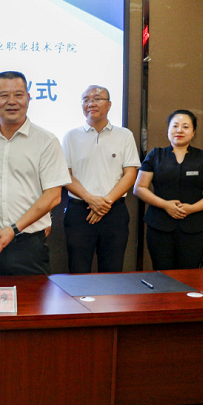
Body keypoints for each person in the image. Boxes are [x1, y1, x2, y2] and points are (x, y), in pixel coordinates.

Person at [0, 71, 71, 276]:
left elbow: (53, 196)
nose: (11, 101)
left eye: (18, 95)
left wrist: (13, 229)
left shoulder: (46, 141)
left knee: (32, 298)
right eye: (4, 95)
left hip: (29, 244)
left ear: (28, 99)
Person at [62, 85, 140, 273]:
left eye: (97, 99)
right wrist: (91, 199)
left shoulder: (124, 135)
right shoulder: (71, 136)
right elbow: (65, 175)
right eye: (86, 100)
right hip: (79, 212)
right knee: (78, 272)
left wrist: (105, 203)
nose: (91, 103)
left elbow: (130, 174)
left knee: (112, 271)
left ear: (109, 104)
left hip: (114, 212)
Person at [133, 109, 203, 270]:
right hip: (159, 226)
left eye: (185, 127)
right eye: (175, 126)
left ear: (193, 132)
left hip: (193, 227)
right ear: (168, 129)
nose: (179, 130)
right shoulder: (155, 155)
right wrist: (165, 205)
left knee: (189, 275)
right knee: (162, 273)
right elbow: (139, 188)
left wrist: (192, 208)